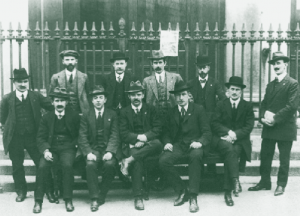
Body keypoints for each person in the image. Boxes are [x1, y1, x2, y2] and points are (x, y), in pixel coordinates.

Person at [248, 51, 300, 196]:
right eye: (274, 64)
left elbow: (292, 107)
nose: (276, 66)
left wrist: (274, 119)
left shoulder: (292, 83)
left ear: (285, 65)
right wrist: (262, 118)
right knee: (265, 156)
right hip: (269, 127)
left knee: (284, 159)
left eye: (279, 63)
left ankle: (281, 185)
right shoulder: (270, 85)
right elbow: (264, 104)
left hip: (284, 127)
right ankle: (265, 181)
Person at [0, 68, 54, 202]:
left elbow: (51, 107)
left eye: (25, 81)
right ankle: (21, 191)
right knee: (17, 165)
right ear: (14, 83)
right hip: (15, 137)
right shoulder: (7, 98)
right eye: (19, 82)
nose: (22, 84)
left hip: (33, 136)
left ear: (28, 81)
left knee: (42, 164)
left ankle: (48, 190)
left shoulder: (36, 96)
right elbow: (2, 117)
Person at [159, 81, 211, 213]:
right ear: (174, 98)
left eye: (183, 95)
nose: (180, 98)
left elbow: (207, 132)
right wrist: (167, 142)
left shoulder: (198, 109)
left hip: (195, 145)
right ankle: (182, 190)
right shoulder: (171, 112)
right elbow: (165, 132)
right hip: (179, 146)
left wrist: (200, 142)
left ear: (188, 95)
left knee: (195, 157)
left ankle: (193, 196)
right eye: (177, 96)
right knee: (163, 161)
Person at [33, 88, 80, 213]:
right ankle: (38, 201)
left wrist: (74, 146)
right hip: (51, 147)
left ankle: (68, 199)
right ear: (52, 102)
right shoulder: (46, 117)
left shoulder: (74, 115)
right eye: (57, 101)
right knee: (42, 166)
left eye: (62, 101)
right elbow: (41, 137)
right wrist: (46, 150)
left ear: (66, 103)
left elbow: (79, 135)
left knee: (67, 165)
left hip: (68, 147)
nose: (59, 103)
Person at [142, 50, 183, 191]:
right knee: (156, 148)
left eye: (160, 62)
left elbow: (184, 95)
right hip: (154, 121)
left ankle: (167, 179)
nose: (158, 65)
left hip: (172, 120)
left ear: (165, 63)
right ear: (152, 65)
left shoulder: (175, 78)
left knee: (169, 148)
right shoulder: (147, 81)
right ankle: (155, 179)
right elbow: (144, 102)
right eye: (155, 63)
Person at [211, 76, 254, 206]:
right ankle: (234, 181)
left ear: (241, 91)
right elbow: (214, 123)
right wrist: (227, 132)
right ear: (228, 91)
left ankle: (228, 191)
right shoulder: (220, 104)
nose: (234, 92)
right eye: (232, 89)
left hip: (239, 140)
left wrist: (234, 134)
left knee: (233, 152)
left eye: (237, 89)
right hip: (222, 138)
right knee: (230, 151)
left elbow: (249, 126)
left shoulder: (247, 106)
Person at [119, 81, 163, 210]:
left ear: (143, 95)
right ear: (129, 97)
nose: (136, 98)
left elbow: (157, 129)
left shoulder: (151, 109)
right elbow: (123, 133)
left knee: (158, 143)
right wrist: (138, 138)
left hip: (148, 144)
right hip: (132, 145)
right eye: (133, 95)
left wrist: (145, 138)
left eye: (138, 94)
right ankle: (138, 196)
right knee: (137, 161)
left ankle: (127, 161)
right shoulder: (124, 112)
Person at [78, 85, 119, 212]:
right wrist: (88, 152)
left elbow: (115, 134)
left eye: (101, 97)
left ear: (105, 99)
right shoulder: (86, 114)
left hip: (107, 149)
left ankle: (103, 194)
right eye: (95, 98)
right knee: (90, 165)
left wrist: (110, 151)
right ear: (92, 100)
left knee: (109, 165)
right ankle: (94, 198)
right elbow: (82, 136)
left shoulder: (112, 114)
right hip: (93, 149)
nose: (98, 100)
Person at [49, 50, 90, 114]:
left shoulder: (84, 77)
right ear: (63, 61)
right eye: (67, 60)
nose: (70, 62)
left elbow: (88, 94)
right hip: (63, 112)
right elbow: (51, 96)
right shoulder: (56, 77)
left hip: (80, 111)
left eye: (72, 59)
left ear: (76, 61)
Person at [188, 55, 226, 119]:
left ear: (208, 68)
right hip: (195, 117)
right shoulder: (190, 83)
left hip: (210, 117)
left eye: (204, 67)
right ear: (197, 68)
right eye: (200, 67)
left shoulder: (215, 83)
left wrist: (216, 112)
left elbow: (223, 98)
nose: (202, 70)